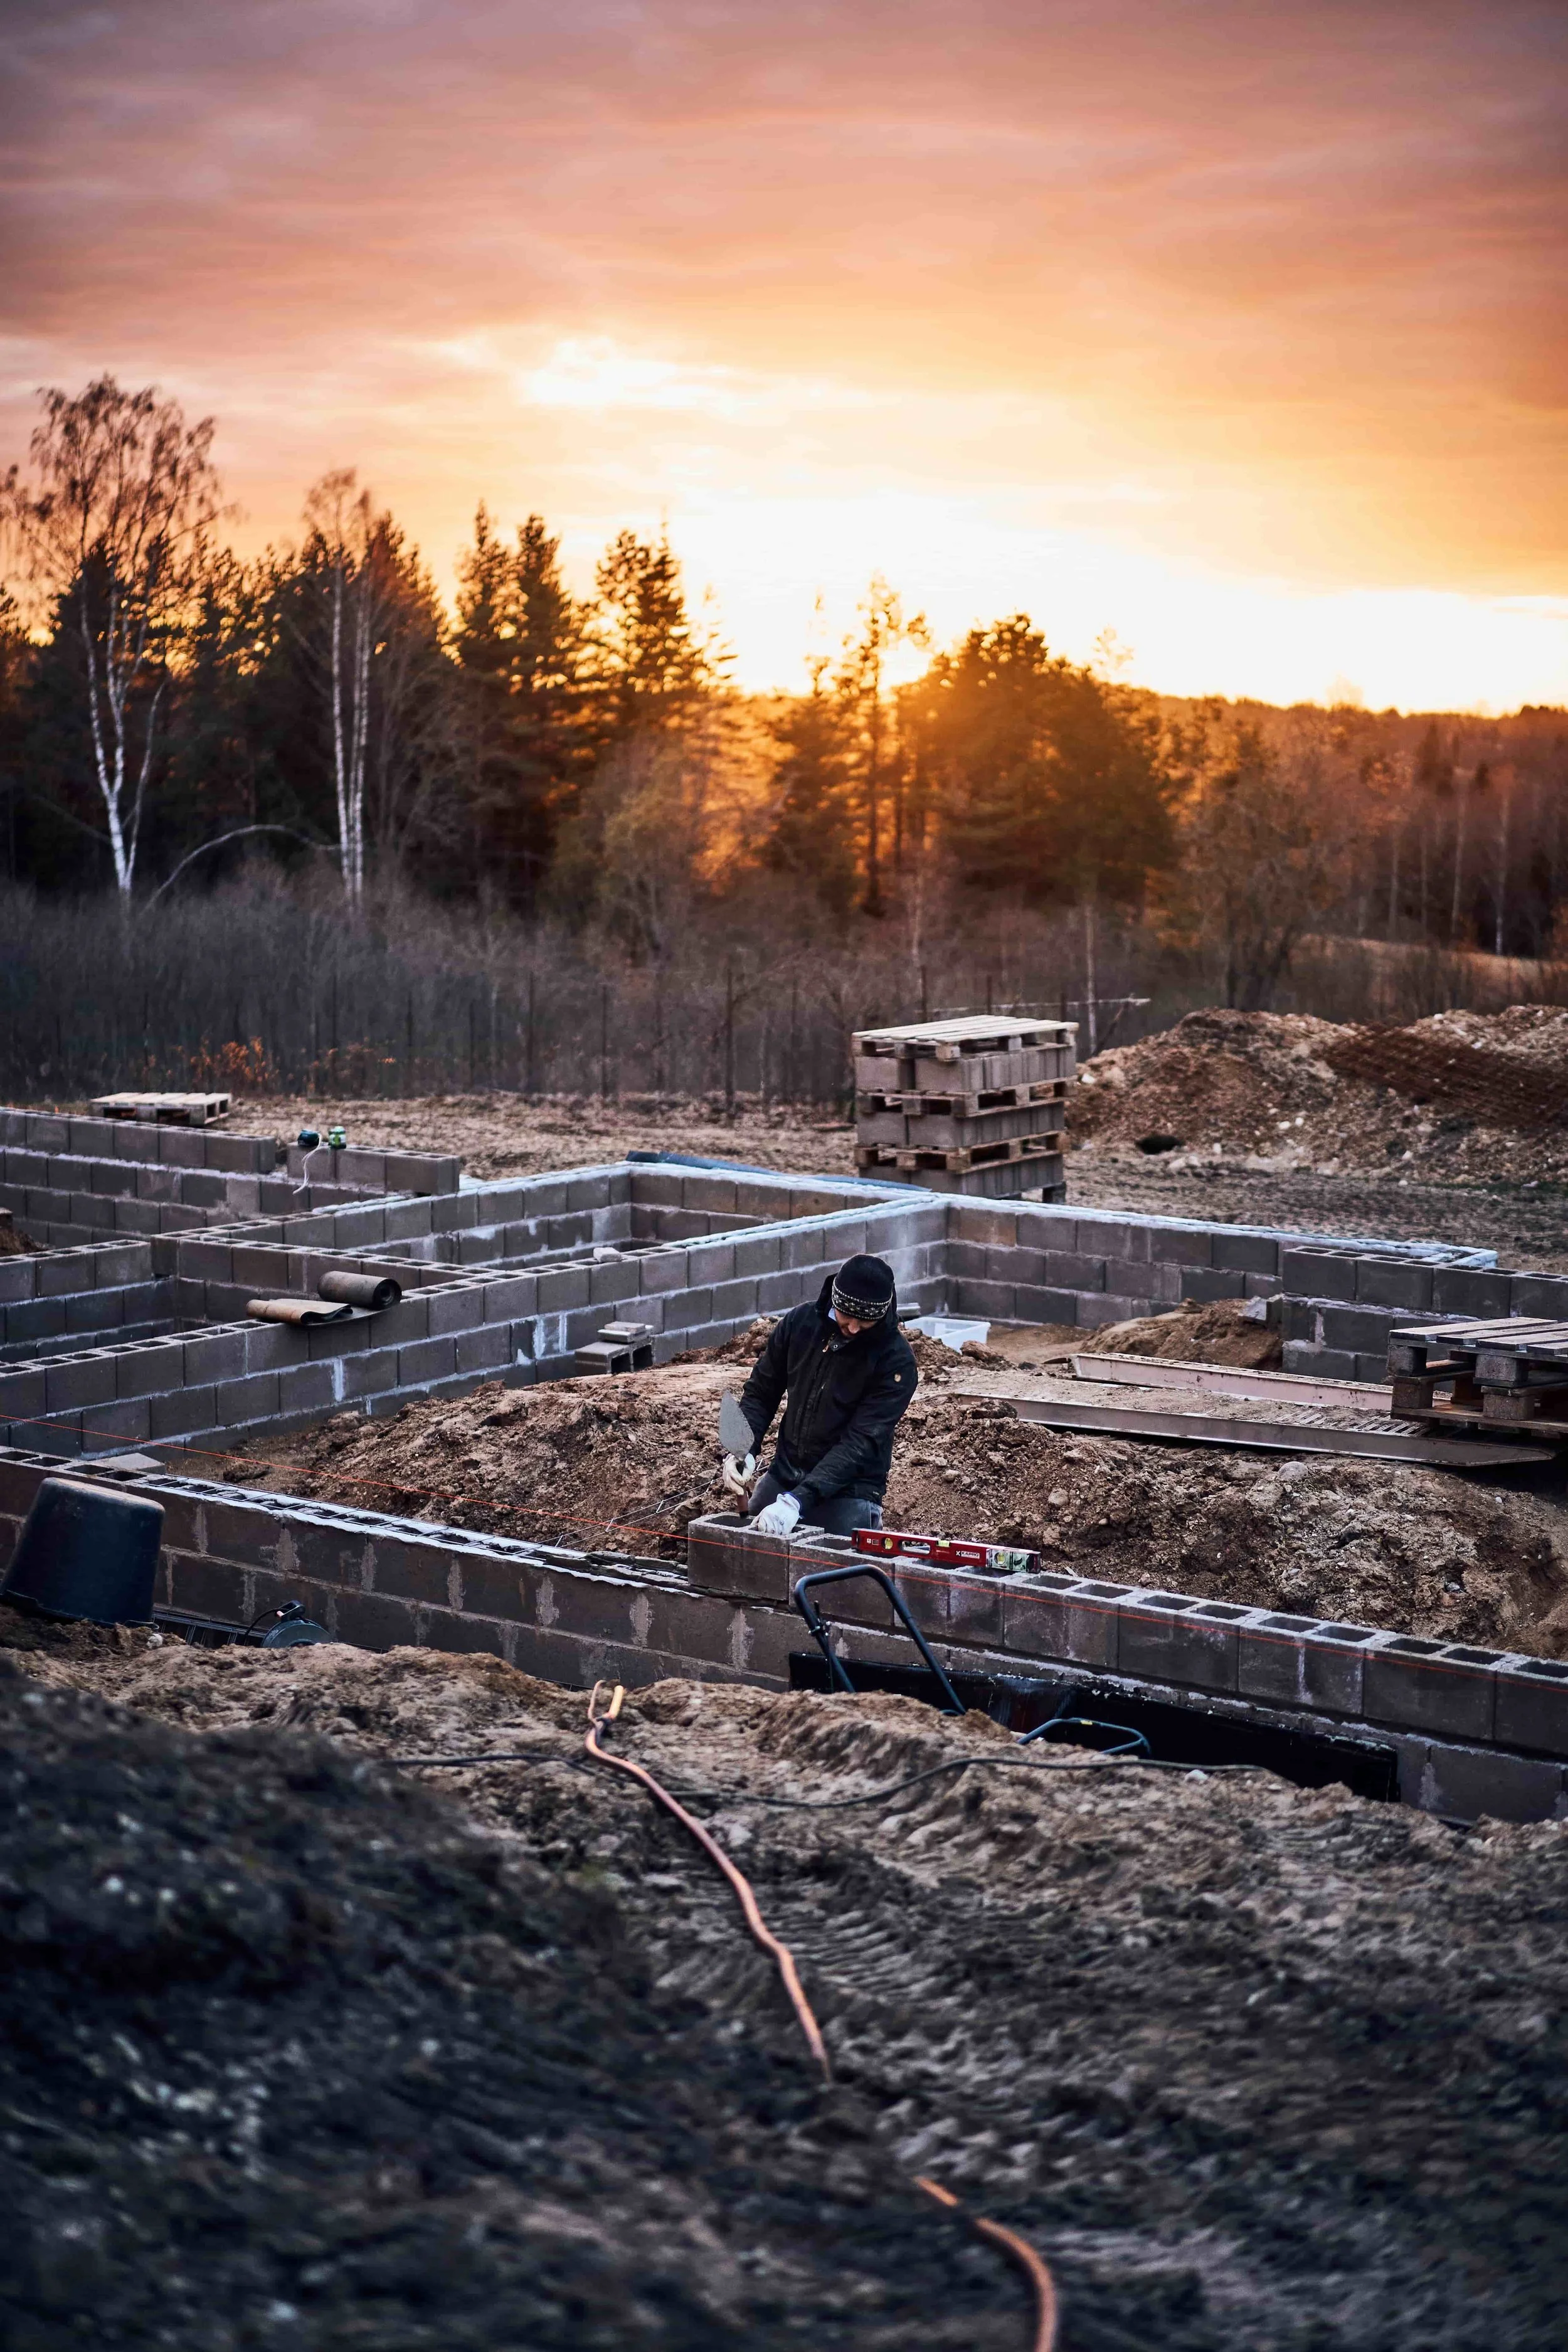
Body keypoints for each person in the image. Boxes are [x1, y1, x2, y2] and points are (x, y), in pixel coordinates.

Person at [723, 1253, 918, 1537]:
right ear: (835, 1301)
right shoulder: (800, 1324)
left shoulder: (896, 1362)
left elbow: (860, 1443)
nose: (852, 1329)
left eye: (864, 1324)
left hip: (848, 1491)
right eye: (847, 1317)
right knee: (748, 1549)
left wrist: (797, 1502)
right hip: (785, 1476)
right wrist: (744, 1451)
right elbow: (761, 1393)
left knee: (835, 1574)